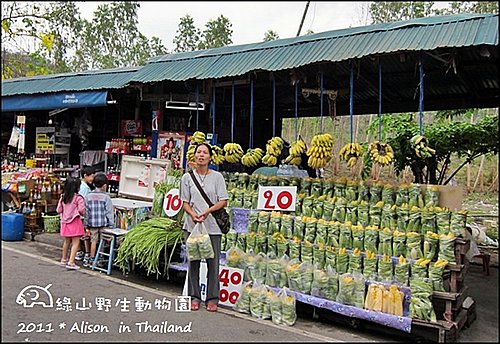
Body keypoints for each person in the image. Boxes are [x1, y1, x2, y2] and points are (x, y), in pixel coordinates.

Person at [180, 142, 229, 312]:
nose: (201, 155)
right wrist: (193, 214)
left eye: (204, 153)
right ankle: (194, 297)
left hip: (212, 227)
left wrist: (208, 211)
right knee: (193, 261)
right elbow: (184, 202)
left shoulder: (217, 177)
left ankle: (212, 298)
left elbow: (223, 200)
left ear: (210, 157)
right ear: (194, 156)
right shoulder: (187, 178)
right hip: (192, 226)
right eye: (198, 152)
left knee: (212, 263)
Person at [84, 173, 114, 268]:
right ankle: (100, 258)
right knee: (102, 241)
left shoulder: (88, 196)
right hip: (103, 224)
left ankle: (92, 259)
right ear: (104, 185)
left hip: (92, 223)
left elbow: (86, 212)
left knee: (93, 241)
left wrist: (86, 224)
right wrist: (111, 224)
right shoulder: (106, 197)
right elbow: (109, 212)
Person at [56, 176, 86, 270]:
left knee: (67, 242)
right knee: (76, 242)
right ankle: (71, 262)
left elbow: (58, 210)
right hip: (75, 222)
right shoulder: (78, 198)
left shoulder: (63, 197)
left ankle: (64, 259)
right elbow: (82, 210)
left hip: (65, 222)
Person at [75, 165, 95, 267]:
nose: (93, 179)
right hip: (83, 215)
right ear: (85, 176)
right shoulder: (85, 188)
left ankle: (79, 252)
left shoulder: (80, 185)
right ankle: (86, 254)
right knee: (86, 235)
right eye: (91, 176)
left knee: (79, 235)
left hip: (78, 214)